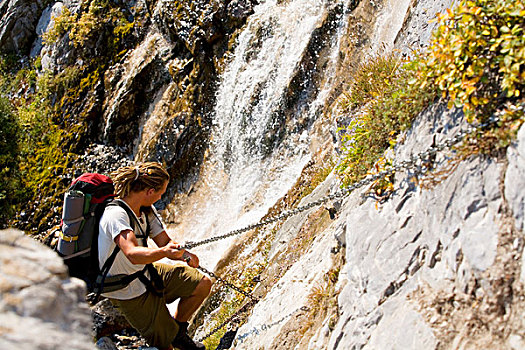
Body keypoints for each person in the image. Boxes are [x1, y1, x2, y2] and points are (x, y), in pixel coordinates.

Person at [98, 162, 212, 350]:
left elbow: (164, 243)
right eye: (161, 193)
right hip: (125, 289)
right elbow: (132, 253)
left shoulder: (146, 211)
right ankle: (173, 336)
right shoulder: (115, 215)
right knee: (164, 347)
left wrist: (185, 255)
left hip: (144, 272)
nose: (161, 197)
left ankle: (178, 332)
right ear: (150, 191)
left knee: (202, 284)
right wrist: (164, 253)